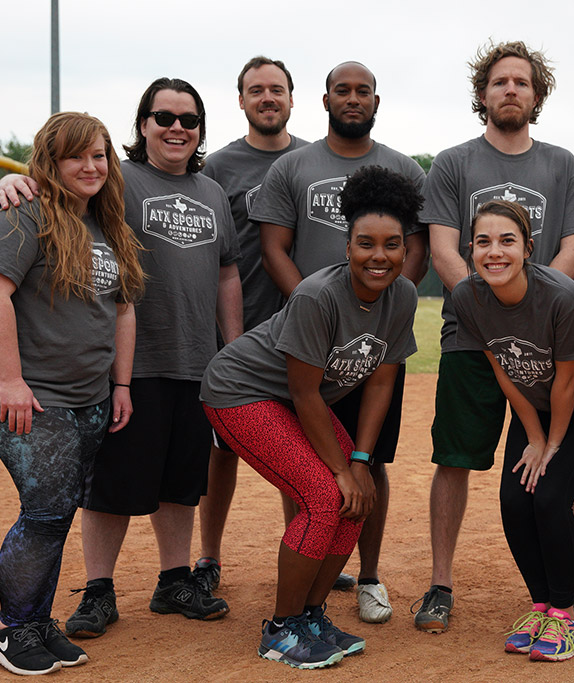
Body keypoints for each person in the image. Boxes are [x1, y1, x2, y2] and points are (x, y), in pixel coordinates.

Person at [0, 77, 243, 638]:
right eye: (164, 117)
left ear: (201, 130)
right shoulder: (116, 179)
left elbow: (228, 271)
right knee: (110, 485)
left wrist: (232, 346)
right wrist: (15, 180)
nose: (177, 127)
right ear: (142, 125)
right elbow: (58, 191)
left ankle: (173, 580)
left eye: (189, 119)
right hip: (128, 362)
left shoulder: (212, 193)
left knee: (182, 479)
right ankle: (98, 590)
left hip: (196, 359)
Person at [201, 165, 422, 669]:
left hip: (294, 400)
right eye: (366, 243)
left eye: (392, 245)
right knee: (327, 495)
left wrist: (362, 461)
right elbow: (304, 393)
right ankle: (280, 629)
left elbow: (382, 379)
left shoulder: (403, 296)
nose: (379, 256)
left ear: (406, 249)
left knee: (356, 500)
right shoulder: (317, 295)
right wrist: (343, 470)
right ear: (347, 247)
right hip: (240, 392)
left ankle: (311, 614)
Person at [415, 39, 574, 633]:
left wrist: (534, 307)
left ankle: (559, 585)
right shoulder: (453, 161)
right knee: (456, 459)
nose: (510, 90)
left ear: (536, 95)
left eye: (522, 82)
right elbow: (445, 247)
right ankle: (441, 584)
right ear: (483, 93)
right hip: (470, 335)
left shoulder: (562, 163)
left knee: (542, 464)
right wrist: (488, 307)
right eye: (500, 81)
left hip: (541, 346)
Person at [251, 61, 428, 622]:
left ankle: (370, 575)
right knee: (308, 464)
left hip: (371, 346)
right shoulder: (293, 166)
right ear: (324, 99)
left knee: (368, 460)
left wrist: (385, 303)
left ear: (378, 100)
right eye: (342, 90)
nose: (353, 99)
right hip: (309, 345)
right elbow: (274, 247)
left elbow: (415, 249)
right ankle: (311, 553)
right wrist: (320, 309)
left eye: (363, 91)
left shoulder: (402, 169)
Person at [0, 112, 144, 675]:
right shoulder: (21, 215)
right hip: (30, 395)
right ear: (50, 161)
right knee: (46, 509)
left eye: (99, 155)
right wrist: (12, 381)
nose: (91, 166)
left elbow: (121, 309)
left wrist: (120, 383)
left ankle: (36, 619)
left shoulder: (106, 224)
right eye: (77, 156)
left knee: (60, 508)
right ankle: (11, 628)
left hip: (90, 396)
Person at [451, 201, 574, 661]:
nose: (494, 252)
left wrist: (552, 443)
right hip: (536, 411)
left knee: (550, 492)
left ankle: (566, 615)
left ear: (527, 249)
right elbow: (502, 368)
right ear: (471, 249)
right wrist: (533, 436)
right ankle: (542, 605)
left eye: (507, 241)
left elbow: (568, 380)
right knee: (514, 499)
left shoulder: (559, 295)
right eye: (483, 242)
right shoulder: (467, 295)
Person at [192, 55, 310, 593]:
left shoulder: (314, 160)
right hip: (236, 326)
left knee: (300, 445)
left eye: (277, 89)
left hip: (302, 330)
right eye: (256, 89)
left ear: (291, 97)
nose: (268, 97)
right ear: (240, 100)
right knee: (222, 449)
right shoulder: (217, 166)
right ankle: (209, 557)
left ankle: (306, 544)